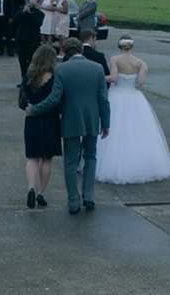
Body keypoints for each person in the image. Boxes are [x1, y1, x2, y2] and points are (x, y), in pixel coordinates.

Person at [27, 38, 109, 215]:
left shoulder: (62, 70)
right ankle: (89, 196)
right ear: (81, 49)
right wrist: (106, 123)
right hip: (92, 120)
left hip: (71, 120)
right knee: (90, 157)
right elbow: (103, 99)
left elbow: (54, 98)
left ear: (64, 50)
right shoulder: (98, 68)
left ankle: (73, 200)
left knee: (71, 161)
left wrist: (34, 110)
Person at [96, 36, 170, 184]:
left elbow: (113, 78)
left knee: (114, 128)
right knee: (138, 130)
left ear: (119, 46)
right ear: (131, 47)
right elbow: (141, 82)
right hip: (134, 97)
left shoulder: (115, 59)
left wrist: (100, 76)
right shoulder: (140, 63)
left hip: (117, 95)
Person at [19, 45, 62, 209]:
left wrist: (29, 108)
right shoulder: (55, 77)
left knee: (32, 157)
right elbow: (58, 101)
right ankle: (41, 193)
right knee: (46, 159)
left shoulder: (28, 76)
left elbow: (22, 101)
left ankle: (31, 186)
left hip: (32, 120)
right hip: (51, 121)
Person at [14, 0, 45, 84]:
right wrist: (24, 11)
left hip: (33, 40)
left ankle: (32, 79)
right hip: (21, 38)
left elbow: (38, 23)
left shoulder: (39, 13)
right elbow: (16, 19)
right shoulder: (22, 10)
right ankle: (24, 79)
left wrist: (31, 12)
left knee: (32, 60)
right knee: (22, 60)